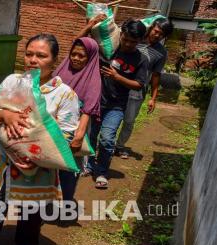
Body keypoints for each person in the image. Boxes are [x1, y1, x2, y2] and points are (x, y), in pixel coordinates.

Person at [0, 34, 80, 245]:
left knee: (31, 214)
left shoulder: (64, 94)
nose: (33, 60)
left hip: (37, 168)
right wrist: (3, 115)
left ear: (54, 60)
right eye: (29, 54)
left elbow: (67, 135)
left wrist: (34, 153)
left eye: (41, 55)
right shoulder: (12, 82)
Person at [80, 19, 148, 188]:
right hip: (96, 102)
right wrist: (90, 26)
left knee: (107, 139)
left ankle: (102, 172)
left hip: (116, 106)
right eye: (125, 39)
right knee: (92, 136)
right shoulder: (108, 48)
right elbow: (78, 44)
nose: (128, 44)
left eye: (134, 41)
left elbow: (139, 84)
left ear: (140, 40)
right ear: (121, 34)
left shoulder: (141, 59)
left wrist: (117, 77)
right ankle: (89, 166)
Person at [115, 18, 174, 159]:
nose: (157, 35)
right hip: (118, 84)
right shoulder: (135, 39)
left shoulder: (161, 52)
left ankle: (120, 146)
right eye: (156, 31)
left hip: (136, 91)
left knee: (129, 121)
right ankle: (107, 143)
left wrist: (153, 98)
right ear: (151, 27)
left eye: (162, 35)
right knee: (113, 115)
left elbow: (156, 75)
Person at [53, 37, 102, 204]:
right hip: (53, 126)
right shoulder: (62, 70)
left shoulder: (93, 80)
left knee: (68, 167)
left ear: (90, 57)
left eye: (81, 56)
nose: (75, 58)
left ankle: (66, 202)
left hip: (75, 129)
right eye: (73, 54)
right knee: (50, 164)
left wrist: (79, 136)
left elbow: (87, 111)